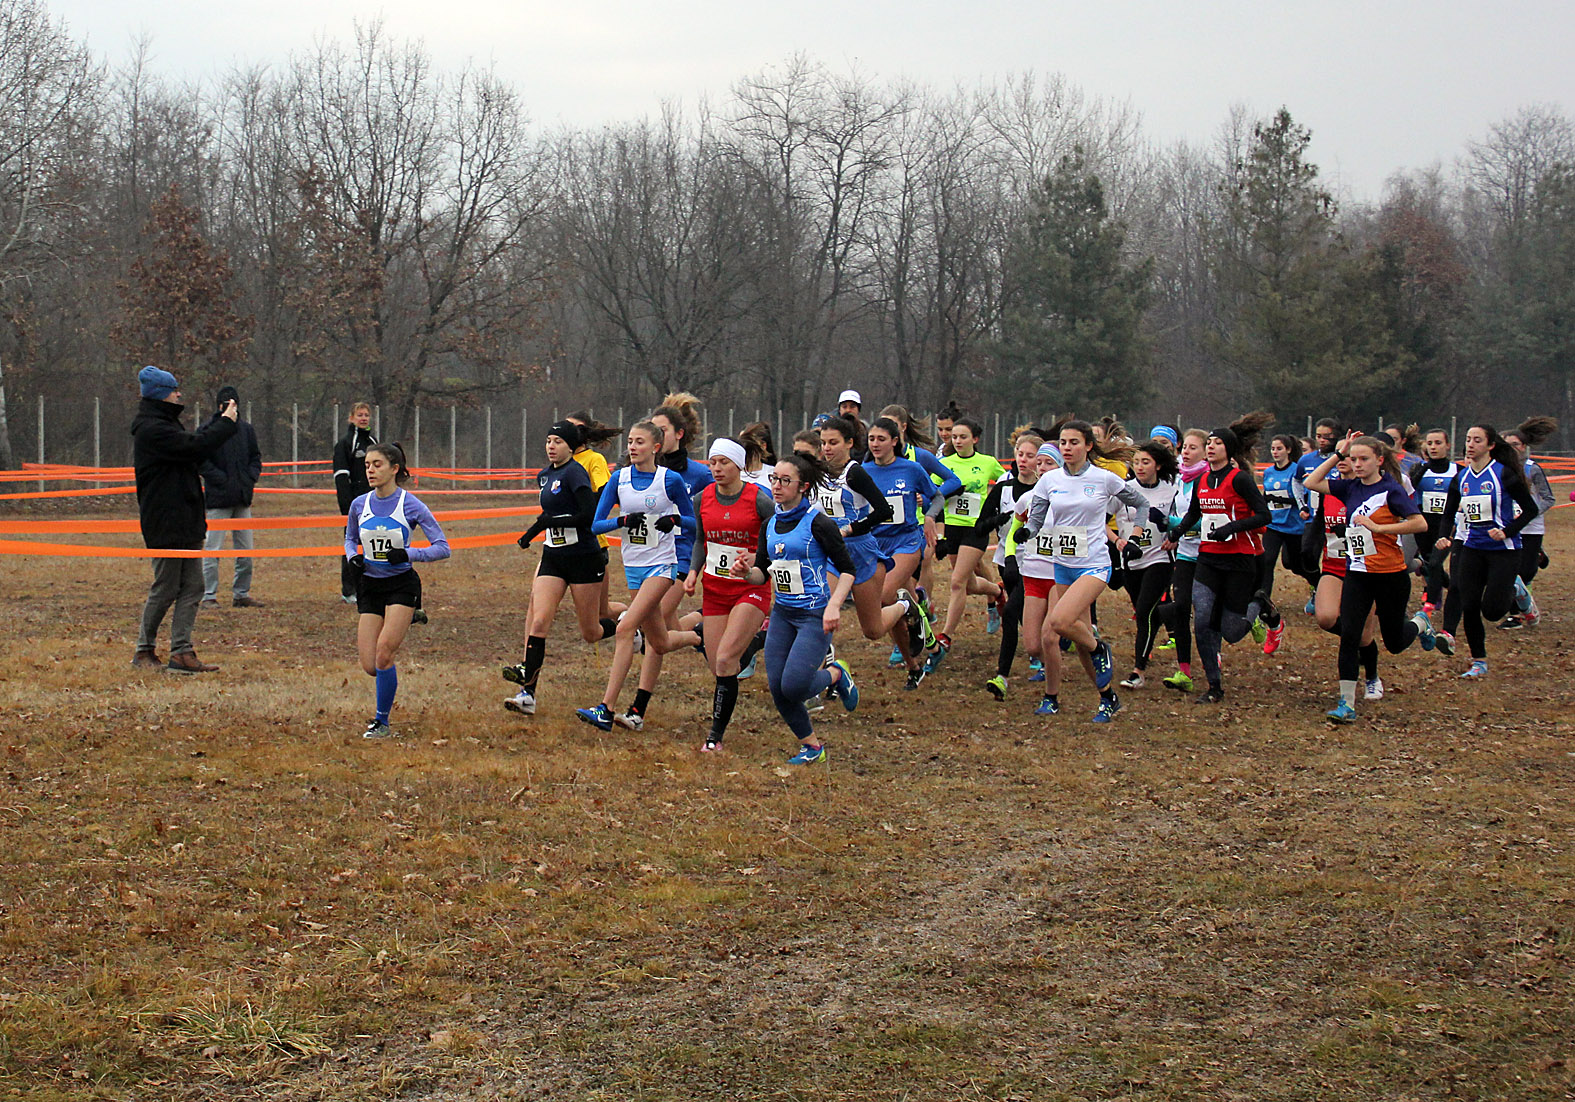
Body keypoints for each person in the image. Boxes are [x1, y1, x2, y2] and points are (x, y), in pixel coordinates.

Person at [732, 452, 860, 765]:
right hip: (784, 614)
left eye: (785, 481)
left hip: (815, 614)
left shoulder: (819, 523)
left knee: (795, 685)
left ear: (802, 486)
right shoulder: (770, 524)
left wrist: (834, 605)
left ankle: (835, 674)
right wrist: (745, 573)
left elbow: (848, 570)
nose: (776, 485)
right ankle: (812, 747)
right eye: (774, 478)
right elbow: (763, 571)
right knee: (778, 688)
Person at [1303, 432, 1435, 723]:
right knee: (1350, 636)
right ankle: (1346, 704)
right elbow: (1310, 483)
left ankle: (1421, 623)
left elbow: (1420, 523)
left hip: (1390, 575)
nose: (1357, 464)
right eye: (1354, 459)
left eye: (1363, 459)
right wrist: (1339, 454)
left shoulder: (1392, 490)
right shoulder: (1349, 488)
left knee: (1395, 642)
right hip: (1358, 573)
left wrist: (1380, 529)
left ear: (1380, 460)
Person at [1021, 420, 1148, 722]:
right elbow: (1036, 517)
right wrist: (1028, 532)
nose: (1067, 448)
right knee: (1077, 640)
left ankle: (1099, 647)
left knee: (1060, 621)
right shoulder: (1049, 481)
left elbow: (1140, 503)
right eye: (1063, 442)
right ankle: (1108, 698)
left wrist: (1135, 535)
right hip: (1062, 564)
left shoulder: (1104, 479)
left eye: (1074, 442)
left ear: (1088, 446)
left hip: (1094, 564)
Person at [576, 420, 697, 731]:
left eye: (640, 442)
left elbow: (694, 523)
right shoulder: (619, 479)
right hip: (634, 567)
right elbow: (595, 525)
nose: (632, 446)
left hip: (662, 566)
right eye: (630, 441)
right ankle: (701, 637)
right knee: (659, 641)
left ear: (655, 447)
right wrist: (622, 520)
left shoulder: (668, 480)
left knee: (626, 626)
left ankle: (606, 707)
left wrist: (674, 520)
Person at [1161, 413, 1280, 704]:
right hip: (1208, 558)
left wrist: (1232, 527)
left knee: (1232, 630)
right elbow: (1194, 514)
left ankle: (1258, 604)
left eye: (1217, 443)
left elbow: (1264, 515)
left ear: (1228, 449)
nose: (1211, 447)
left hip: (1240, 560)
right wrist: (1176, 533)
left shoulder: (1239, 479)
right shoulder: (1202, 480)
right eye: (1209, 442)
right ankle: (1214, 686)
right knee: (1202, 620)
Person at [503, 421, 618, 716]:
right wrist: (530, 535)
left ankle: (628, 625)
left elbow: (587, 515)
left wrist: (549, 524)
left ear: (570, 447)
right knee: (539, 622)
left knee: (591, 631)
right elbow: (548, 515)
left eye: (557, 441)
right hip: (554, 557)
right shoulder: (545, 475)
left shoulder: (576, 473)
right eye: (548, 441)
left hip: (583, 557)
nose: (551, 446)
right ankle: (527, 693)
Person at [130, 366, 239, 673]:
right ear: (161, 394)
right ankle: (143, 650)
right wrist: (226, 424)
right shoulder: (152, 429)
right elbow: (194, 446)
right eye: (174, 389)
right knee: (166, 586)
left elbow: (194, 442)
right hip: (166, 522)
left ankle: (181, 651)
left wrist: (220, 422)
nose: (179, 394)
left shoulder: (166, 425)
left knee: (193, 585)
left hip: (185, 518)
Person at [615, 394, 714, 731]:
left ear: (677, 435)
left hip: (678, 560)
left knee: (645, 628)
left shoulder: (699, 475)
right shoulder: (635, 471)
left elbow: (708, 516)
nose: (652, 437)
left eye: (660, 430)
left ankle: (637, 709)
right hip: (643, 558)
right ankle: (701, 632)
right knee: (662, 637)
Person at [344, 443, 451, 738]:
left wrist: (408, 554)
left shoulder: (411, 505)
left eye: (377, 464)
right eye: (367, 465)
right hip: (370, 585)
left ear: (394, 469)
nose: (370, 470)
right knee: (370, 666)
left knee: (383, 656)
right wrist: (353, 554)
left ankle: (382, 722)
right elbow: (349, 538)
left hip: (401, 584)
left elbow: (443, 548)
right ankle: (409, 618)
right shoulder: (359, 505)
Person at [815, 417, 930, 681]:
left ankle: (904, 606)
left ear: (849, 443)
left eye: (833, 442)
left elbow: (883, 511)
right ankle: (819, 681)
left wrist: (851, 529)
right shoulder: (819, 473)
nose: (827, 448)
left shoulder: (856, 473)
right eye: (823, 443)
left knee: (873, 629)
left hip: (861, 553)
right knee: (820, 612)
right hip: (833, 554)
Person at [684, 439, 775, 751]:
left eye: (724, 462)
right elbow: (700, 540)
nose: (717, 468)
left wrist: (757, 559)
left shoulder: (758, 499)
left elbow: (777, 535)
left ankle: (715, 738)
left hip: (751, 587)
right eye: (713, 463)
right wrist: (694, 572)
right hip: (715, 590)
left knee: (724, 660)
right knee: (719, 664)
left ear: (739, 466)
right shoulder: (702, 499)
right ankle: (760, 640)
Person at [1436, 424, 1540, 678]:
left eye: (1477, 440)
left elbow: (1530, 509)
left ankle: (1515, 588)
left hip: (1503, 550)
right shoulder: (1460, 478)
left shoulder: (1503, 474)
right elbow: (1448, 513)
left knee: (1492, 611)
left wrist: (1507, 531)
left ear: (1490, 445)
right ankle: (1478, 661)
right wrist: (1442, 535)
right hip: (1472, 548)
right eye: (1468, 439)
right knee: (1469, 604)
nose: (1470, 445)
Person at [864, 416, 956, 687]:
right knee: (892, 605)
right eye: (872, 439)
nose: (876, 444)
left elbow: (937, 495)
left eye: (881, 439)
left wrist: (929, 516)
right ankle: (915, 662)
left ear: (895, 441)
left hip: (907, 541)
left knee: (884, 598)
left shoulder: (911, 468)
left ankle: (912, 608)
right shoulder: (863, 472)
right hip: (876, 545)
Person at [934, 417, 1007, 655]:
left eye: (963, 437)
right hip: (953, 528)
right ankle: (997, 592)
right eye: (954, 437)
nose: (957, 441)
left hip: (976, 529)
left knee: (956, 583)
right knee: (970, 584)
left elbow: (1008, 481)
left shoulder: (987, 462)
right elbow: (932, 491)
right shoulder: (945, 463)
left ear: (974, 439)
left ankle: (945, 636)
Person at [980, 433, 1043, 700]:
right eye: (1020, 454)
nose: (1024, 460)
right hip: (1008, 559)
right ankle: (1035, 657)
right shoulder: (1004, 489)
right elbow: (981, 524)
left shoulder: (1047, 491)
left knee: (1017, 612)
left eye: (1030, 456)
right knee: (1017, 614)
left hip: (1040, 564)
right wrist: (999, 518)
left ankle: (1010, 671)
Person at [1116, 442, 1180, 689]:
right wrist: (1118, 540)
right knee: (1147, 613)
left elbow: (1181, 522)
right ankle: (1168, 614)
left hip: (1159, 559)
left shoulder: (1171, 491)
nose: (1140, 467)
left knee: (1143, 612)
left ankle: (1138, 670)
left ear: (1158, 465)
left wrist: (1174, 538)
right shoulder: (1124, 490)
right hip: (1131, 561)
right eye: (1137, 462)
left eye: (1146, 462)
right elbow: (1102, 520)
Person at [198, 385, 264, 609]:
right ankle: (208, 595)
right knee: (213, 550)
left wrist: (249, 478)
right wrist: (220, 480)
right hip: (218, 499)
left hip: (242, 498)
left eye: (236, 404)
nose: (233, 408)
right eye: (229, 404)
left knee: (245, 551)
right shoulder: (208, 429)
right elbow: (201, 460)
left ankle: (241, 593)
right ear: (220, 406)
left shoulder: (246, 430)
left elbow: (255, 457)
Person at [1155, 429, 1207, 692]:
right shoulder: (1178, 479)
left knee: (1209, 615)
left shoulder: (1210, 479)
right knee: (1181, 606)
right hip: (1186, 552)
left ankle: (1214, 661)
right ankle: (1184, 671)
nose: (1185, 452)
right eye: (1184, 447)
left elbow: (1201, 519)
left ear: (1207, 451)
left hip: (1212, 553)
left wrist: (1172, 525)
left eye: (1193, 448)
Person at [564, 410, 626, 623]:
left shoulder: (593, 459)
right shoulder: (559, 460)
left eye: (576, 428)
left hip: (591, 545)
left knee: (601, 614)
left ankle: (633, 619)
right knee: (538, 603)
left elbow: (604, 493)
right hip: (559, 544)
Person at [1499, 417, 1557, 628]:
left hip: (1531, 527)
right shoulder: (1498, 469)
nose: (1511, 449)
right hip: (1507, 528)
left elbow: (1549, 498)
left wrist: (1529, 514)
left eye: (1515, 445)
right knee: (1511, 572)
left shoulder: (1532, 469)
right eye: (1507, 445)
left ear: (1524, 447)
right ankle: (1516, 615)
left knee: (1526, 571)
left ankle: (1537, 554)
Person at [334, 403, 378, 604]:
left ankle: (372, 586)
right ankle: (349, 590)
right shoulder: (345, 444)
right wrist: (348, 508)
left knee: (374, 544)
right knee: (353, 547)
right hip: (355, 505)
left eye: (367, 415)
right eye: (359, 415)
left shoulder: (373, 442)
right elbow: (341, 478)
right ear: (351, 418)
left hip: (375, 504)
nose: (364, 418)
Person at [1413, 427, 1459, 616]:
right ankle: (1454, 588)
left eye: (1438, 443)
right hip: (1424, 525)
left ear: (1447, 445)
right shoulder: (1420, 470)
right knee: (1430, 564)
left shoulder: (1458, 471)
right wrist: (1424, 467)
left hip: (1447, 525)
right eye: (1430, 443)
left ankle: (1430, 604)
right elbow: (1410, 488)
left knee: (1434, 563)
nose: (1433, 447)